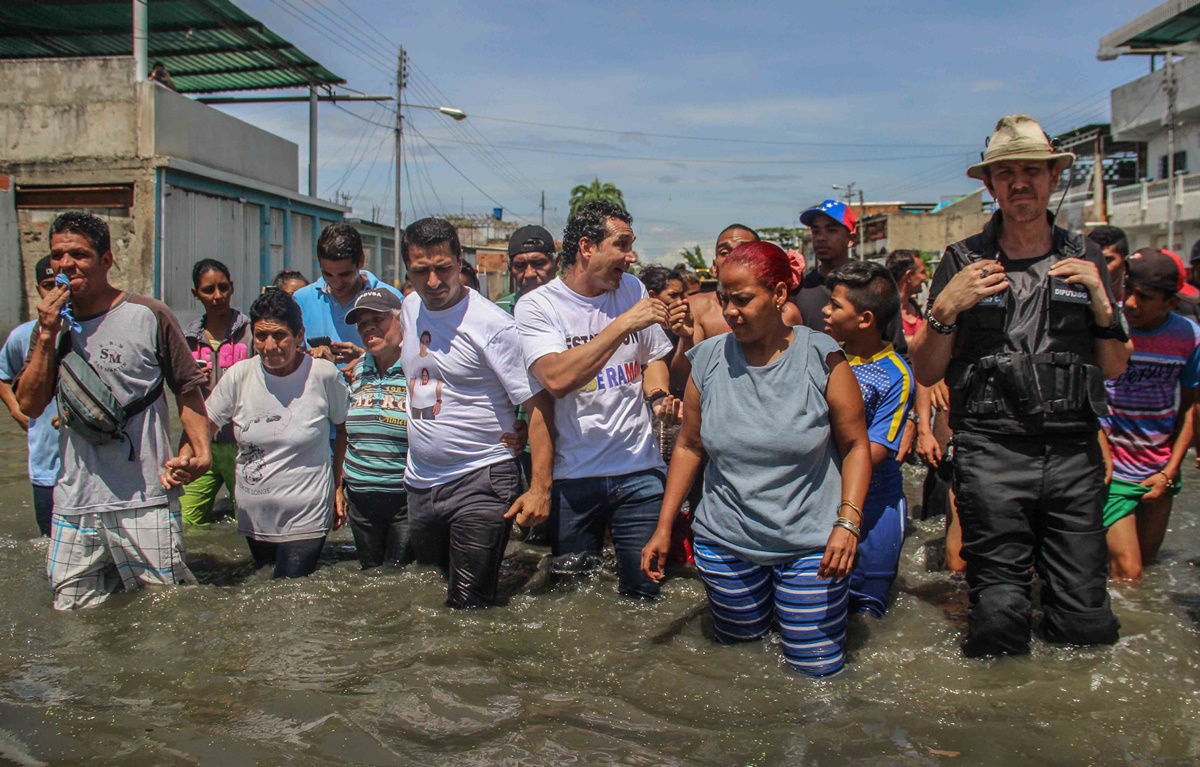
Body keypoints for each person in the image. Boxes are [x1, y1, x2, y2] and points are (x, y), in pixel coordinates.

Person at [910, 114, 1132, 657]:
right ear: (989, 186)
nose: (1019, 182)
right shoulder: (962, 260)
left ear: (1053, 178)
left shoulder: (1086, 256)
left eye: (1031, 170)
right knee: (999, 615)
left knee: (1086, 617)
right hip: (991, 449)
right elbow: (926, 372)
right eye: (1005, 172)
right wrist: (944, 308)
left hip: (1072, 450)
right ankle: (993, 721)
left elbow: (1116, 367)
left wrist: (1102, 303)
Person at [641, 241, 872, 676]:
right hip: (725, 543)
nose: (730, 311)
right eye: (726, 299)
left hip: (811, 545)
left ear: (780, 293)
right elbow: (690, 446)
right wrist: (665, 527)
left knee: (815, 672)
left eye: (743, 299)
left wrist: (848, 522)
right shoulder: (707, 360)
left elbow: (856, 445)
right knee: (739, 668)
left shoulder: (822, 356)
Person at [15, 212, 210, 610]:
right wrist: (48, 333)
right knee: (70, 613)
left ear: (106, 260)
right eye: (57, 256)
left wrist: (201, 452)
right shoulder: (48, 328)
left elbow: (187, 391)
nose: (66, 265)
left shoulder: (149, 315)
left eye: (79, 255)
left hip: (146, 498)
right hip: (74, 501)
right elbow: (29, 404)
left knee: (165, 612)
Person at [515, 200, 682, 599]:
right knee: (573, 599)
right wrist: (622, 324)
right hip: (574, 475)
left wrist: (658, 396)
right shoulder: (538, 306)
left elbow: (653, 358)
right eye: (622, 245)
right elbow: (557, 378)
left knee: (645, 591)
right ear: (587, 247)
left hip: (640, 469)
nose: (632, 256)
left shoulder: (632, 289)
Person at [401, 217, 554, 608]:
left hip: (482, 477)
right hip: (420, 480)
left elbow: (538, 405)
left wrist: (540, 489)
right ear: (407, 270)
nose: (433, 281)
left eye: (443, 268)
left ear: (460, 263)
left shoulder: (493, 326)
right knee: (436, 585)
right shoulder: (409, 307)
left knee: (467, 607)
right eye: (421, 271)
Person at [199, 289, 349, 579]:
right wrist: (187, 460)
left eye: (279, 336)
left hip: (307, 508)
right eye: (260, 336)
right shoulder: (239, 375)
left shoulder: (323, 375)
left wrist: (338, 484)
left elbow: (344, 428)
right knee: (262, 586)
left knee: (288, 588)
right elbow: (205, 426)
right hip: (254, 511)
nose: (269, 346)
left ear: (299, 334)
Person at [1099, 248, 1200, 582]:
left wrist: (1170, 472)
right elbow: (1090, 399)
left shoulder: (1189, 337)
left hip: (1158, 468)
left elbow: (1189, 408)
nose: (1130, 303)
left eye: (1145, 297)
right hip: (1113, 469)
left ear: (1170, 303)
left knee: (1148, 569)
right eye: (1128, 291)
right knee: (1129, 572)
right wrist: (1101, 457)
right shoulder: (1108, 326)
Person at [822, 261, 914, 616]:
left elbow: (874, 452)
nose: (826, 311)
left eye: (836, 305)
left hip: (876, 509)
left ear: (866, 319)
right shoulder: (824, 356)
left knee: (867, 609)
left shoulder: (895, 374)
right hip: (824, 500)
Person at [341, 288, 412, 569]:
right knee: (370, 578)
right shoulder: (359, 369)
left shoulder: (418, 369)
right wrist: (339, 487)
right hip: (361, 499)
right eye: (362, 323)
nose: (368, 327)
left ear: (401, 322)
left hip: (404, 498)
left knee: (399, 578)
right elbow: (345, 432)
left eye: (378, 319)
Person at [179, 259, 251, 526]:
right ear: (195, 293)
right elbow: (177, 390)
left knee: (247, 521)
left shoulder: (251, 334)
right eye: (209, 290)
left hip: (242, 444)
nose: (217, 296)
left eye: (223, 288)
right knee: (186, 518)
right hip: (200, 442)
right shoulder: (186, 339)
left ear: (232, 288)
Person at [0, 257, 61, 536]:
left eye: (60, 284)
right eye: (48, 285)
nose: (55, 292)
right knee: (49, 546)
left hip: (89, 466)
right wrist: (16, 410)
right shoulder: (24, 335)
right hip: (46, 469)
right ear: (38, 289)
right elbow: (3, 374)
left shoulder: (88, 329)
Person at [291, 223, 402, 370]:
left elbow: (409, 357)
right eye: (327, 274)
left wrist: (363, 360)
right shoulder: (301, 300)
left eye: (345, 274)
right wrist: (314, 358)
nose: (336, 283)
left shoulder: (392, 299)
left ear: (361, 261)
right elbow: (291, 356)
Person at [886, 250, 927, 342]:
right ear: (909, 276)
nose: (925, 277)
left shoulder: (914, 307)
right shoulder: (886, 311)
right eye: (922, 272)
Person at [1087, 226, 1128, 304]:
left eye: (1107, 261)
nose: (1098, 267)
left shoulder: (1133, 307)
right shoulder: (1076, 301)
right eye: (1093, 260)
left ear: (1124, 264)